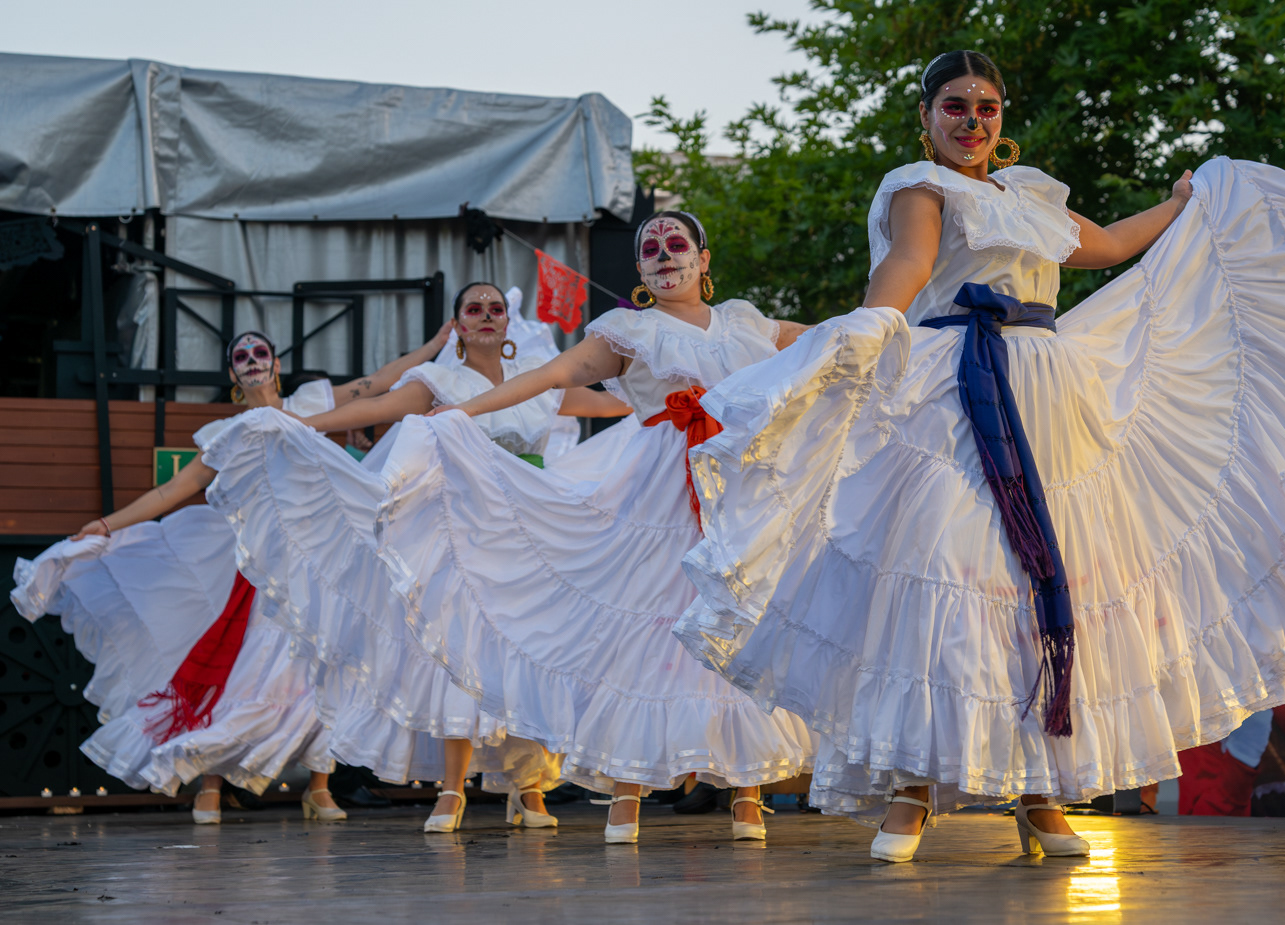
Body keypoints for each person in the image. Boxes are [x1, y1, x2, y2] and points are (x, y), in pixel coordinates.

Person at [674, 49, 1285, 862]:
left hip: (1048, 396)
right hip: (953, 390)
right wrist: (868, 328)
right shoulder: (922, 186)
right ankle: (914, 787)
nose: (972, 120)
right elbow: (908, 267)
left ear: (1002, 118)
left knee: (1047, 584)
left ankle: (1042, 793)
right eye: (954, 105)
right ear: (926, 116)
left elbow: (1109, 244)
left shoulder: (1029, 194)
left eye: (986, 106)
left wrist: (1181, 203)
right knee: (945, 571)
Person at [376, 213, 817, 844]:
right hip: (659, 484)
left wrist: (912, 325)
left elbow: (831, 337)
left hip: (738, 479)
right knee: (646, 623)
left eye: (676, 245)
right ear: (639, 271)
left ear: (704, 258)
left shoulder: (747, 321)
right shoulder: (628, 330)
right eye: (650, 249)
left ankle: (748, 793)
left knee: (738, 616)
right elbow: (552, 376)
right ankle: (627, 792)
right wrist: (464, 412)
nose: (664, 255)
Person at [203, 282, 631, 832]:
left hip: (530, 535)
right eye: (473, 309)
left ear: (506, 322)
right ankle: (452, 790)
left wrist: (673, 385)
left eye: (494, 309)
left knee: (532, 653)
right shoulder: (438, 382)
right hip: (465, 533)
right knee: (463, 651)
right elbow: (376, 404)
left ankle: (528, 788)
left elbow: (616, 401)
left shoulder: (537, 381)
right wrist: (293, 424)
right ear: (457, 324)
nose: (485, 316)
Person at [11, 324, 451, 823]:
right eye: (241, 356)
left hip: (325, 566)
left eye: (260, 351)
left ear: (276, 364)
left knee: (329, 670)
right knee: (246, 677)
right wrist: (109, 524)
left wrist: (436, 348)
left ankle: (320, 787)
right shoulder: (227, 434)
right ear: (233, 376)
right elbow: (170, 492)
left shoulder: (313, 406)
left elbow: (378, 382)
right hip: (260, 573)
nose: (252, 358)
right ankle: (210, 783)